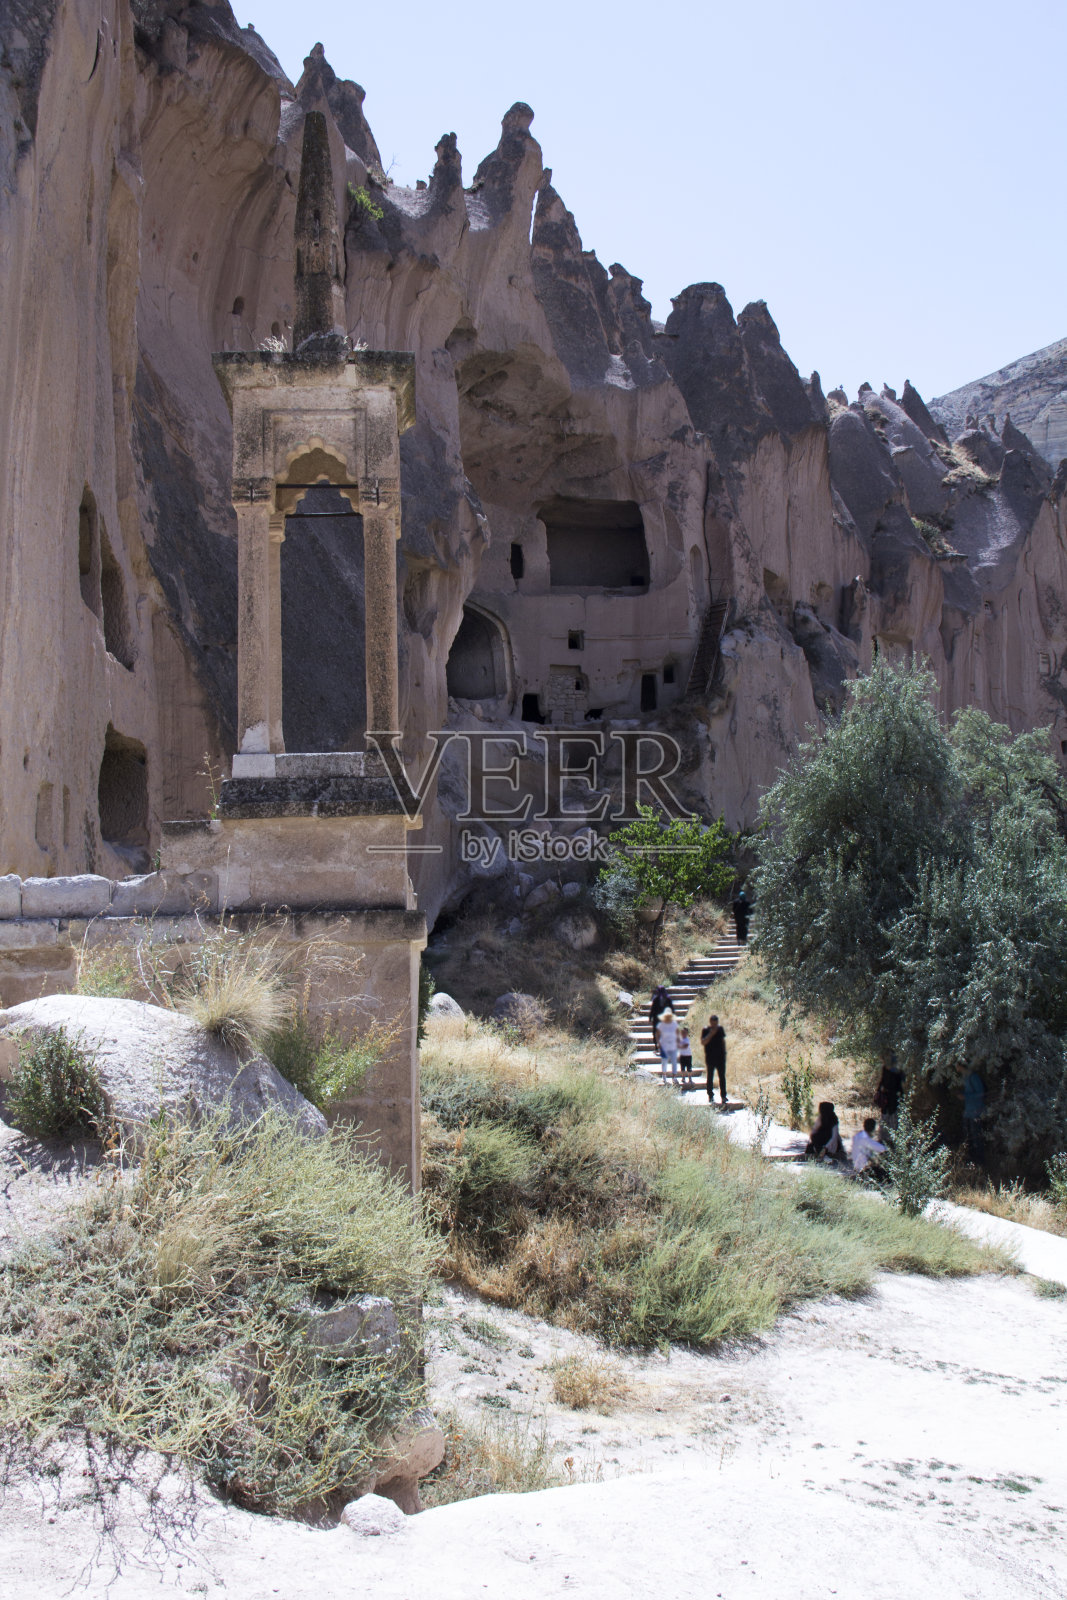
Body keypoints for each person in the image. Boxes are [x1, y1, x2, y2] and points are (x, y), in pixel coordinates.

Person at [960, 1065, 986, 1165]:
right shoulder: (967, 1078)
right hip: (968, 1112)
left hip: (976, 1112)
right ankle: (971, 1161)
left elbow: (981, 1093)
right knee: (968, 1137)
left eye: (959, 1066)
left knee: (976, 1137)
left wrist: (965, 1096)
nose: (957, 1069)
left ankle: (980, 1162)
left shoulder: (974, 1077)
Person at [874, 1054, 905, 1136]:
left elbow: (882, 1081)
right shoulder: (896, 1070)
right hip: (892, 1096)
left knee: (887, 1115)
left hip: (888, 1096)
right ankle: (891, 1136)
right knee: (891, 1115)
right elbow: (901, 1084)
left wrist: (878, 1091)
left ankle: (885, 1136)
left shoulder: (887, 1069)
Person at [701, 1014, 728, 1105]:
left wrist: (724, 1053)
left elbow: (723, 1041)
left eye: (716, 1023)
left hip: (720, 1057)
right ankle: (710, 1095)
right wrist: (711, 1034)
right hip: (710, 1057)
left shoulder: (720, 1029)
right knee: (710, 1077)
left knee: (722, 1077)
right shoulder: (706, 1030)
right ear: (710, 1022)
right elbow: (703, 1042)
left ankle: (723, 1096)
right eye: (713, 1023)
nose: (714, 1025)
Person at [655, 1008, 679, 1086]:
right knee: (664, 1062)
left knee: (674, 1062)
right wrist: (659, 1043)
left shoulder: (674, 1023)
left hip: (673, 1045)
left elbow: (677, 1033)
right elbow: (657, 1034)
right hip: (664, 1046)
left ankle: (674, 1077)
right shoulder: (661, 1024)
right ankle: (664, 1076)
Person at [649, 985, 670, 1065]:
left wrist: (650, 1017)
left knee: (656, 1033)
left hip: (656, 1019)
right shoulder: (667, 999)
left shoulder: (656, 999)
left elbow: (653, 1009)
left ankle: (657, 1048)